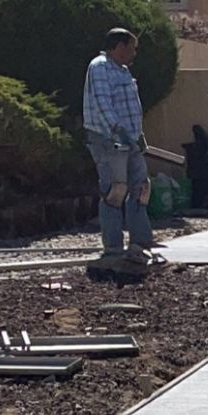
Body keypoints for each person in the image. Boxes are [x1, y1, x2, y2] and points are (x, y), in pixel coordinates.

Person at [83, 27, 155, 268]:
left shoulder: (123, 71)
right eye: (132, 48)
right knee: (115, 191)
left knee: (141, 188)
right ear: (120, 46)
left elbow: (131, 108)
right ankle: (113, 248)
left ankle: (139, 244)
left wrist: (137, 135)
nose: (134, 53)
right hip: (108, 140)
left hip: (131, 139)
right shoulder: (100, 66)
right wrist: (118, 131)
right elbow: (103, 104)